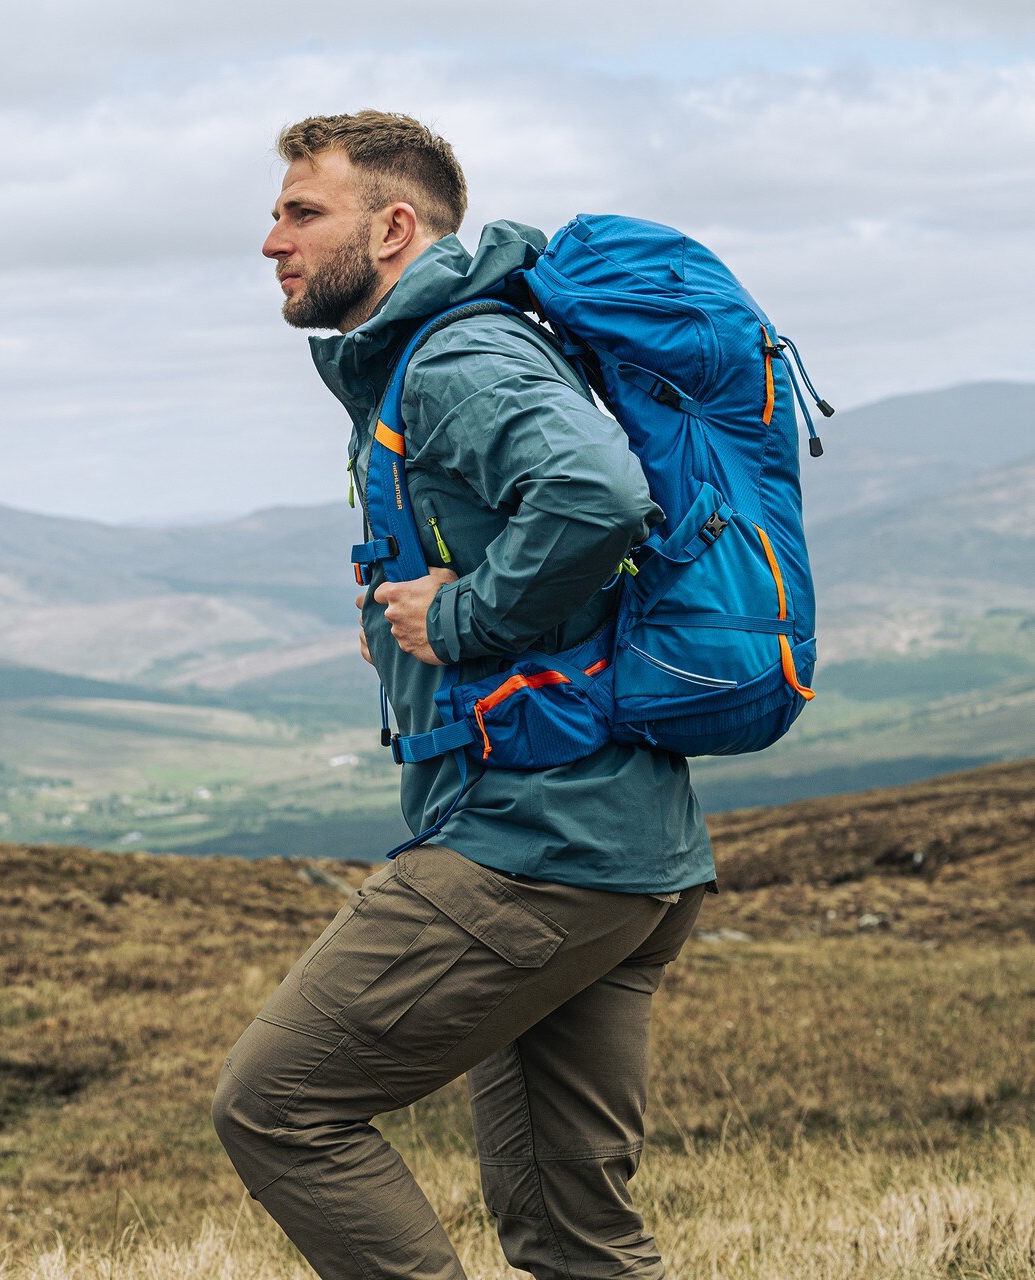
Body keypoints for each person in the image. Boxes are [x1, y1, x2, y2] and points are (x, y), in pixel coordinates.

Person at [211, 110, 715, 1280]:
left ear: (392, 228)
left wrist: (458, 619)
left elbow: (595, 493)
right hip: (622, 847)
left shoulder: (454, 356)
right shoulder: (445, 353)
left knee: (277, 1103)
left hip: (534, 842)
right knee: (576, 1235)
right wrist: (416, 630)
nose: (270, 240)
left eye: (300, 211)